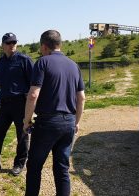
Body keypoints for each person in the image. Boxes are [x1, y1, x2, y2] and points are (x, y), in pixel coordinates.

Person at [23, 30, 85, 196]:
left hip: (47, 124)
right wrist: (76, 122)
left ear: (44, 46)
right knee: (62, 168)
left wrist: (26, 121)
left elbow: (33, 95)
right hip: (69, 123)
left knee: (34, 166)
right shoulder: (74, 65)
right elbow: (81, 98)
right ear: (60, 44)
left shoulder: (42, 63)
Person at [0, 32, 34, 176]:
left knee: (22, 135)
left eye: (14, 43)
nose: (12, 45)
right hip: (5, 104)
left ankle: (19, 164)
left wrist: (32, 103)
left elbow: (35, 83)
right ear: (3, 45)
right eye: (9, 43)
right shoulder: (0, 62)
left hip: (21, 104)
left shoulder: (25, 60)